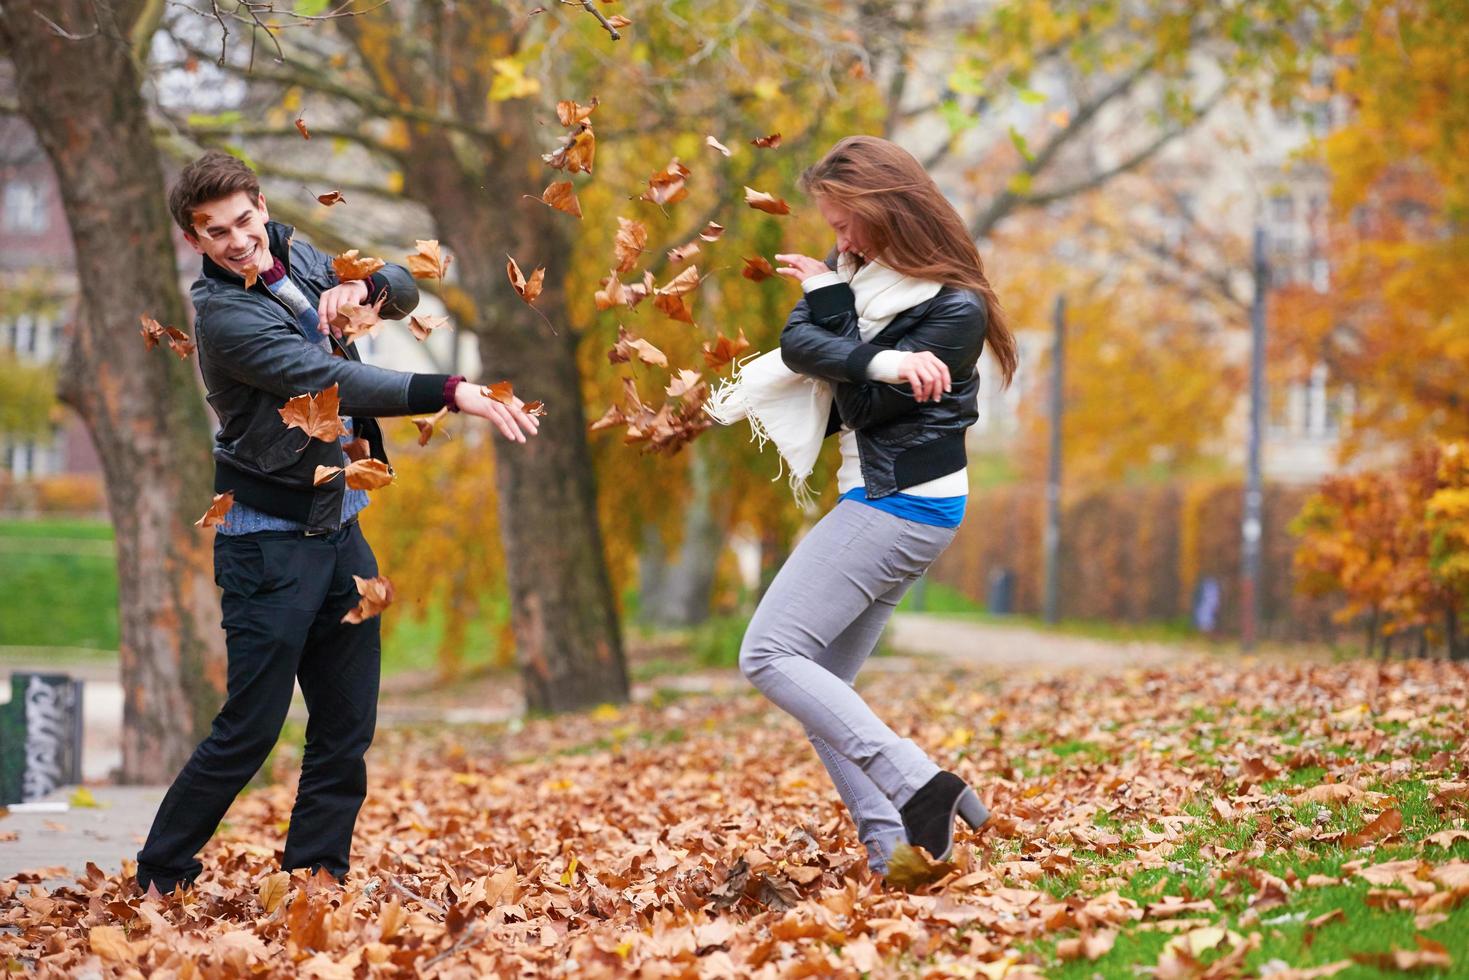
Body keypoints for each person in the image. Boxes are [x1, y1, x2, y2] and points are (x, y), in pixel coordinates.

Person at [135, 151, 539, 894]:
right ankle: (161, 874)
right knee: (251, 729)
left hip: (342, 527)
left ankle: (315, 877)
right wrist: (452, 390)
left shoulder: (294, 249)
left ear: (260, 206)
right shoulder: (224, 318)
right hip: (268, 544)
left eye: (244, 220)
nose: (237, 240)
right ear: (195, 240)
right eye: (214, 231)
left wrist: (365, 286)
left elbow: (404, 286)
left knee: (346, 727)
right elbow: (331, 378)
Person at [710, 135, 1019, 877]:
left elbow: (859, 406)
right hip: (886, 499)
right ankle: (890, 851)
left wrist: (836, 315)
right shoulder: (855, 277)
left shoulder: (955, 309)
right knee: (821, 689)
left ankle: (921, 785)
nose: (838, 239)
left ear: (891, 209)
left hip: (900, 501)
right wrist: (827, 293)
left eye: (848, 222)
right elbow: (797, 344)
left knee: (768, 653)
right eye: (832, 225)